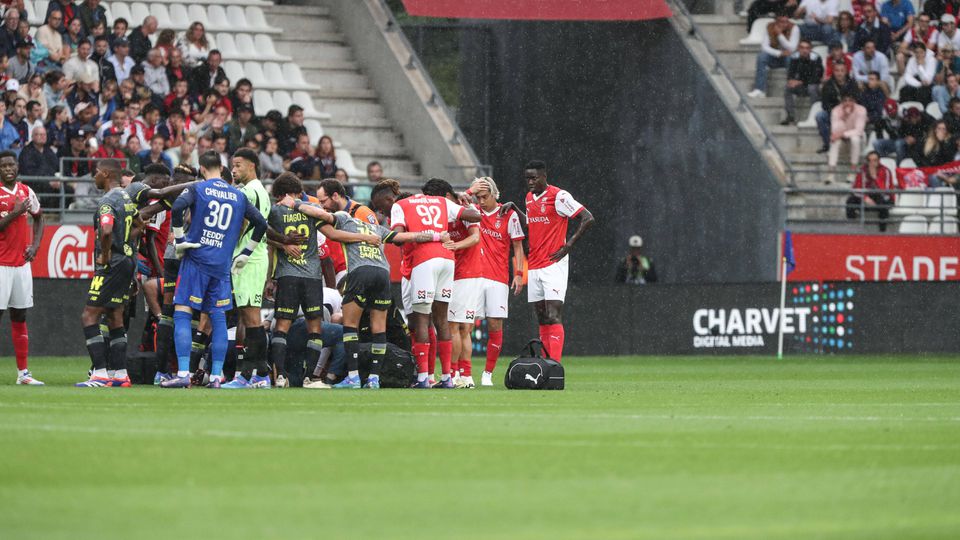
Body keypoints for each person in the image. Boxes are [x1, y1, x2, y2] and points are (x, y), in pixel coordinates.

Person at [160, 151, 268, 389]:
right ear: (221, 167)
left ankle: (184, 373)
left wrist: (179, 238)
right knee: (218, 318)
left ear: (201, 169)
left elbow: (177, 206)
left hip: (196, 259)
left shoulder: (199, 188)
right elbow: (261, 223)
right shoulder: (238, 195)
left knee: (182, 312)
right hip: (222, 265)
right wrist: (246, 253)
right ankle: (217, 376)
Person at [76, 159, 182, 387]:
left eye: (96, 173)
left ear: (105, 174)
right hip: (128, 261)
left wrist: (104, 255)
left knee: (89, 315)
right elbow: (139, 225)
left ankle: (100, 373)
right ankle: (121, 374)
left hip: (111, 262)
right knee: (115, 317)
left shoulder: (107, 200)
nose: (94, 176)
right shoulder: (127, 198)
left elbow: (105, 230)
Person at [391, 178, 480, 387]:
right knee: (442, 319)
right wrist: (463, 201)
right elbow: (475, 216)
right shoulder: (442, 202)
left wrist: (426, 235)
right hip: (447, 259)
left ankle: (423, 377)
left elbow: (396, 237)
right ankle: (447, 377)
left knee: (422, 319)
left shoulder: (400, 205)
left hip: (424, 260)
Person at [512, 160, 593, 361]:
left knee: (554, 314)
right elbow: (531, 225)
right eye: (527, 178)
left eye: (534, 177)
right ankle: (545, 363)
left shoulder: (559, 196)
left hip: (553, 264)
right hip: (535, 264)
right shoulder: (529, 198)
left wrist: (569, 244)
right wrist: (514, 208)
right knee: (542, 317)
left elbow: (588, 217)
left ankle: (554, 366)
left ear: (544, 177)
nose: (530, 182)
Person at [217, 148, 274, 388]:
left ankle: (250, 375)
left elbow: (243, 223)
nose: (234, 169)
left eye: (238, 165)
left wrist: (228, 248)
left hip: (248, 259)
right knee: (248, 316)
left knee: (251, 318)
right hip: (253, 257)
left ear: (252, 165)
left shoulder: (249, 191)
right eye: (233, 165)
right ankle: (260, 373)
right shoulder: (260, 191)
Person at [465, 177, 526, 387]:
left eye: (484, 196)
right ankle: (464, 373)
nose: (480, 201)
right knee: (466, 325)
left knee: (494, 325)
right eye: (477, 197)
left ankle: (487, 374)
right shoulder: (471, 211)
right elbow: (453, 204)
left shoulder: (508, 214)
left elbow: (518, 247)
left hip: (498, 278)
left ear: (494, 194)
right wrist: (469, 191)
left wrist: (519, 273)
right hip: (473, 276)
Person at [0, 150, 44, 384]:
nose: (8, 169)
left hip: (20, 264)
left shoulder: (26, 191)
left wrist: (35, 245)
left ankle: (23, 374)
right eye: (4, 166)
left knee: (19, 315)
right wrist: (16, 212)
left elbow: (39, 216)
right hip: (0, 264)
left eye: (11, 165)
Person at [444, 184, 481, 388]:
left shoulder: (464, 213)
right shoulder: (448, 211)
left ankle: (455, 373)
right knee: (463, 328)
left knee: (456, 327)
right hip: (461, 273)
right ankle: (465, 375)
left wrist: (455, 245)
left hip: (465, 273)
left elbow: (475, 237)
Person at [747, 14, 800, 98]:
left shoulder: (794, 28)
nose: (785, 24)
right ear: (776, 22)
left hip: (788, 58)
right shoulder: (770, 27)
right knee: (761, 57)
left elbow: (792, 48)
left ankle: (793, 90)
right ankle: (760, 90)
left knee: (791, 58)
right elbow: (764, 47)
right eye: (782, 22)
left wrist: (780, 35)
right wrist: (779, 53)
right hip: (775, 57)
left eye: (786, 22)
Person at [846, 151, 897, 231]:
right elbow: (856, 188)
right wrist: (865, 198)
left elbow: (886, 191)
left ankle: (882, 231)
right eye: (870, 160)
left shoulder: (885, 170)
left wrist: (875, 178)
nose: (872, 163)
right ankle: (852, 227)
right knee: (850, 201)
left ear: (879, 160)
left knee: (883, 203)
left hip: (883, 196)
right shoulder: (862, 170)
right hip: (867, 196)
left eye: (875, 160)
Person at [816, 61, 859, 153]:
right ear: (833, 72)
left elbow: (857, 101)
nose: (839, 73)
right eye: (837, 70)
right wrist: (837, 114)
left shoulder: (852, 84)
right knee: (820, 116)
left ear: (846, 71)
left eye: (842, 71)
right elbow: (825, 104)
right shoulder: (827, 85)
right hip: (834, 114)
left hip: (851, 114)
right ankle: (828, 144)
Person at [828, 93, 867, 181]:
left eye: (850, 100)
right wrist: (844, 117)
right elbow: (835, 130)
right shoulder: (836, 110)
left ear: (854, 101)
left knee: (855, 140)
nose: (847, 103)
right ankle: (831, 173)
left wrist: (843, 134)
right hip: (841, 137)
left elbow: (859, 130)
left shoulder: (861, 110)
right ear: (841, 102)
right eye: (845, 101)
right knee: (834, 142)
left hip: (856, 136)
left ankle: (852, 172)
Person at [783, 40, 823, 125]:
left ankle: (815, 115)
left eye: (807, 48)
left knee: (812, 88)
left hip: (813, 86)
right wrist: (791, 80)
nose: (804, 50)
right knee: (788, 87)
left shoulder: (816, 58)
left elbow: (817, 77)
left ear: (810, 49)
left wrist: (800, 82)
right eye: (802, 48)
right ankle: (790, 116)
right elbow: (790, 74)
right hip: (801, 87)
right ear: (798, 49)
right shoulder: (794, 57)